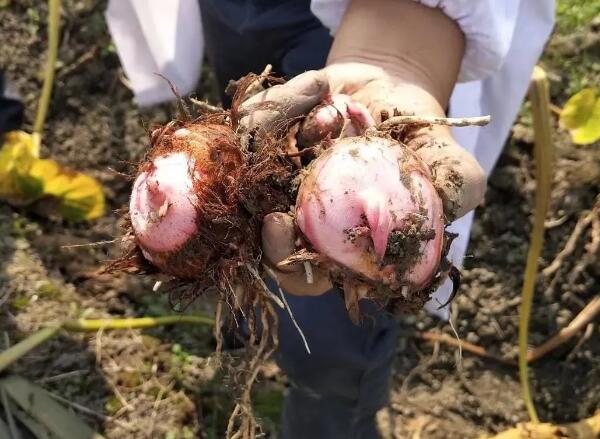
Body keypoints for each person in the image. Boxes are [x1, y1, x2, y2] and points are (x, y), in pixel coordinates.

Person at [106, 1, 556, 437]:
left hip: (360, 21)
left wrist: (396, 59)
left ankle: (334, 415)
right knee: (252, 117)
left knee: (331, 331)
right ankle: (247, 316)